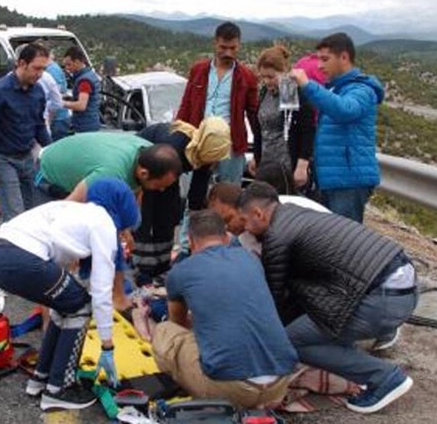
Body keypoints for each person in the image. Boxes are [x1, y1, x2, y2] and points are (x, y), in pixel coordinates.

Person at [238, 181, 417, 414]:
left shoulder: (276, 237)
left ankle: (384, 377)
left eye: (244, 221)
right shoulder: (299, 212)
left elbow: (274, 301)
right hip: (403, 284)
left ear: (258, 214)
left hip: (382, 300)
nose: (245, 229)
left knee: (291, 341)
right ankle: (357, 364)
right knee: (312, 327)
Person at [0, 178, 140, 410]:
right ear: (123, 205)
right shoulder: (103, 224)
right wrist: (107, 345)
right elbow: (101, 290)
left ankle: (42, 377)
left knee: (65, 305)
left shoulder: (73, 209)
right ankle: (60, 389)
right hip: (21, 258)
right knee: (81, 307)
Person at [152, 210, 297, 408]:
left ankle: (197, 392)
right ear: (226, 237)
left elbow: (178, 324)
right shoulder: (251, 259)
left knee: (164, 331)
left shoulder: (181, 271)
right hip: (279, 384)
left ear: (191, 242)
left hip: (230, 390)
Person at [291, 33, 385, 223]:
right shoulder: (336, 88)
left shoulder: (362, 89)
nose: (319, 66)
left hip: (348, 180)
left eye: (325, 59)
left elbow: (345, 110)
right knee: (332, 235)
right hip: (333, 178)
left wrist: (308, 85)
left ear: (344, 57)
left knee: (344, 238)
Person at [131, 119, 230, 284]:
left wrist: (196, 231)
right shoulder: (175, 145)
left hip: (168, 174)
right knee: (146, 218)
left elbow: (197, 193)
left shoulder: (204, 152)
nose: (214, 162)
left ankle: (162, 266)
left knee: (168, 215)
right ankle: (141, 268)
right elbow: (147, 177)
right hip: (149, 171)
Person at [0, 43, 53, 222]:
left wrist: (53, 152)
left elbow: (39, 126)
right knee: (14, 216)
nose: (40, 74)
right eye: (36, 68)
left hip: (27, 158)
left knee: (33, 211)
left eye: (43, 69)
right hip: (3, 160)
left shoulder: (38, 92)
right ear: (22, 64)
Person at [176, 22, 259, 185]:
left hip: (230, 142)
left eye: (233, 48)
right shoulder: (198, 70)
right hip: (198, 138)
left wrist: (259, 148)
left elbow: (253, 113)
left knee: (230, 190)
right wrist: (178, 134)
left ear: (239, 45)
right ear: (215, 43)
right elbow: (186, 104)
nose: (228, 53)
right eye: (223, 47)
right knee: (194, 188)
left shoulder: (247, 77)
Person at [36, 132, 182, 203]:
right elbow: (68, 207)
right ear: (144, 173)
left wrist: (126, 229)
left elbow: (136, 195)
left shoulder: (149, 153)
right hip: (48, 172)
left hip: (81, 167)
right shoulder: (110, 174)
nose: (162, 190)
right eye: (159, 185)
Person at [248, 45, 315, 195]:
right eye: (263, 77)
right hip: (266, 161)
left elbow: (306, 129)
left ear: (283, 72)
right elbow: (260, 128)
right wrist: (256, 157)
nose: (267, 81)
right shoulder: (265, 92)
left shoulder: (290, 91)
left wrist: (302, 164)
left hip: (285, 163)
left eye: (271, 77)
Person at [61, 46, 101, 133]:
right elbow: (88, 99)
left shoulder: (84, 81)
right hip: (91, 122)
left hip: (85, 127)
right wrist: (69, 98)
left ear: (77, 62)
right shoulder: (90, 74)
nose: (67, 68)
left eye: (69, 64)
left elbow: (81, 106)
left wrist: (61, 103)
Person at [45, 56, 71, 140]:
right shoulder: (51, 69)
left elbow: (55, 97)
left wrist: (49, 121)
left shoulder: (52, 71)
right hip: (57, 117)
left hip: (57, 119)